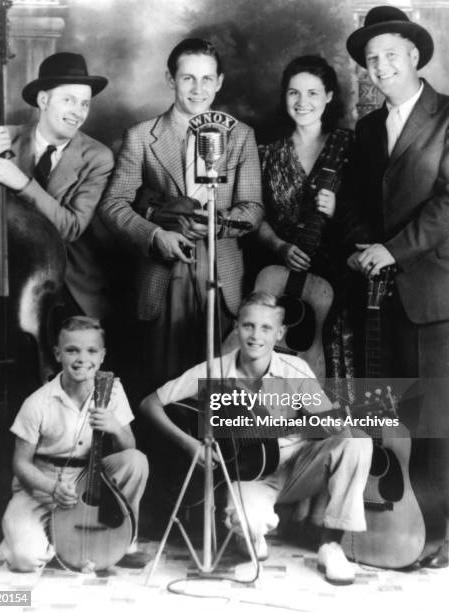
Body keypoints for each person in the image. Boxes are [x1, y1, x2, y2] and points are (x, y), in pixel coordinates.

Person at [140, 291, 373, 585]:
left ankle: (331, 545)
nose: (255, 335)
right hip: (248, 475)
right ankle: (250, 533)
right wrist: (191, 445)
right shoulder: (214, 370)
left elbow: (332, 428)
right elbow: (149, 404)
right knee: (248, 525)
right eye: (248, 325)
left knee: (357, 442)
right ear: (237, 326)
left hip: (298, 467)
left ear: (280, 333)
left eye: (265, 328)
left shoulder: (295, 369)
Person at [99, 38, 263, 393]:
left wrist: (218, 224)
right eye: (188, 78)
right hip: (164, 271)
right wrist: (156, 236)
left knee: (220, 383)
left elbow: (254, 209)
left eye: (207, 79)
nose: (198, 89)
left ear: (219, 81)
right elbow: (113, 205)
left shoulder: (240, 136)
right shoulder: (142, 137)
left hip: (221, 273)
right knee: (165, 385)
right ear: (171, 80)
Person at [346, 5, 449, 567]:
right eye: (371, 60)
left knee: (434, 420)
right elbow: (359, 204)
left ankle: (436, 534)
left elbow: (448, 204)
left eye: (389, 55)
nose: (380, 67)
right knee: (388, 413)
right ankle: (393, 527)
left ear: (414, 56)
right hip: (377, 293)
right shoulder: (365, 127)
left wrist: (394, 250)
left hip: (431, 293)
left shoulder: (448, 116)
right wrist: (365, 249)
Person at [0, 52, 114, 322]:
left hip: (65, 286)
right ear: (44, 100)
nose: (78, 112)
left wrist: (21, 183)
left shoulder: (97, 157)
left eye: (85, 104)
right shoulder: (4, 138)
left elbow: (71, 227)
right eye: (68, 100)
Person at [0, 316, 149, 572]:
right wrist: (52, 487)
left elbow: (129, 447)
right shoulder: (38, 403)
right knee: (24, 559)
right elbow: (20, 463)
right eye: (72, 350)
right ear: (58, 354)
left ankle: (124, 540)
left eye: (91, 351)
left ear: (102, 355)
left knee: (136, 460)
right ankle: (51, 538)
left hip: (91, 477)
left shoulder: (112, 390)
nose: (82, 359)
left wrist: (115, 426)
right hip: (44, 484)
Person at [254, 55, 363, 383]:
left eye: (313, 93)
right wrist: (278, 245)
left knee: (335, 368)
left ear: (329, 96)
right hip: (281, 278)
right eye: (293, 93)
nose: (303, 102)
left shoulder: (351, 146)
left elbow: (371, 213)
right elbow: (253, 213)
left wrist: (337, 210)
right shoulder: (266, 153)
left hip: (338, 281)